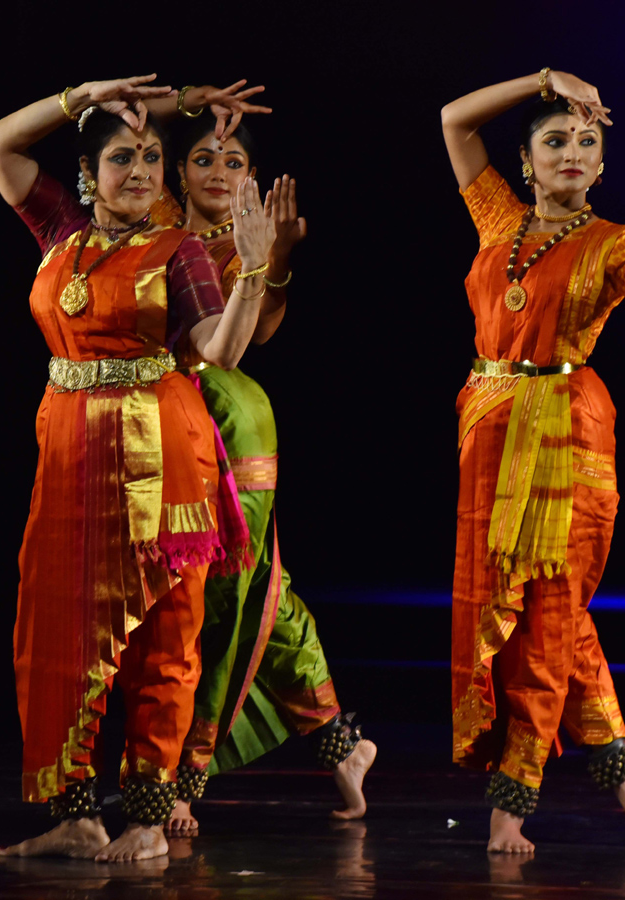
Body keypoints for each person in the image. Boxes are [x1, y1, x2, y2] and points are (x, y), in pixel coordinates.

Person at [440, 68, 625, 853]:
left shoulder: (616, 245)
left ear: (602, 167)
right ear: (528, 160)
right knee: (536, 612)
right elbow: (453, 120)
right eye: (555, 140)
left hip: (567, 437)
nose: (571, 153)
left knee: (547, 617)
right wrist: (539, 79)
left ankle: (514, 800)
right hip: (490, 434)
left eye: (586, 143)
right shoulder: (498, 218)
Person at [0, 75, 272, 862]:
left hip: (163, 454)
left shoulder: (179, 251)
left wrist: (250, 268)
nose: (141, 171)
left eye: (152, 157)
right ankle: (76, 811)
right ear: (89, 172)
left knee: (164, 633)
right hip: (71, 456)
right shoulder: (60, 232)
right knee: (57, 630)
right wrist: (82, 96)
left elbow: (219, 349)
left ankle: (147, 813)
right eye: (122, 157)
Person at [163, 115, 377, 838]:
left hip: (225, 422)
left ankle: (185, 775)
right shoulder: (152, 226)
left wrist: (273, 260)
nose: (219, 171)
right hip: (149, 426)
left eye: (233, 161)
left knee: (219, 598)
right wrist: (186, 98)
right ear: (176, 172)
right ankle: (341, 746)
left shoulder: (240, 243)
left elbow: (253, 335)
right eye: (202, 158)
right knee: (265, 589)